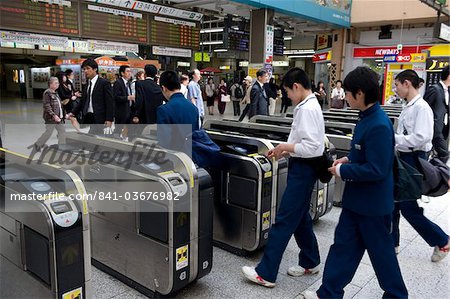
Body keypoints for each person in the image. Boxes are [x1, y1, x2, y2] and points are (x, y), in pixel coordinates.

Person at [300, 66, 408, 299]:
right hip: (355, 202)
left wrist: (343, 170)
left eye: (348, 92)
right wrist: (349, 158)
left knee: (382, 254)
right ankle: (328, 293)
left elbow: (377, 169)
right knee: (343, 247)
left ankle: (397, 295)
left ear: (359, 93)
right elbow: (366, 154)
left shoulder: (378, 124)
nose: (344, 96)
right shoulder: (366, 118)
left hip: (373, 207)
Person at [242, 67, 324, 288]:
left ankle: (266, 273)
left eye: (287, 91)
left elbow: (313, 147)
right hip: (304, 168)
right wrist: (286, 151)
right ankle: (310, 260)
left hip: (303, 171)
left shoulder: (306, 109)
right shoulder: (309, 105)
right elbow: (308, 142)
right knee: (300, 218)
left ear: (296, 86)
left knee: (284, 221)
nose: (287, 95)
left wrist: (285, 146)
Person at [392, 69, 449, 261]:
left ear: (407, 83)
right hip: (404, 158)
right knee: (394, 202)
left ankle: (442, 240)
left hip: (414, 160)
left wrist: (394, 139)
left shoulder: (421, 107)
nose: (395, 89)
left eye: (397, 85)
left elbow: (422, 137)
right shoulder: (409, 105)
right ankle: (393, 242)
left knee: (407, 206)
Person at [67, 59, 114, 135]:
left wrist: (109, 119)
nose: (85, 71)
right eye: (84, 69)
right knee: (91, 138)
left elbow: (109, 102)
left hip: (100, 118)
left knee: (100, 140)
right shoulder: (87, 84)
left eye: (88, 68)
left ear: (95, 69)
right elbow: (83, 101)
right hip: (89, 117)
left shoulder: (104, 83)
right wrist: (73, 112)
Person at [157, 70, 199, 151]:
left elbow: (164, 142)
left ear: (163, 88)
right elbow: (196, 135)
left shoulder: (164, 109)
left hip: (173, 158)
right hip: (190, 157)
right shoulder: (193, 108)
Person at [29, 77, 66, 152]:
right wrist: (53, 115)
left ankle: (61, 147)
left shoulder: (55, 93)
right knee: (48, 133)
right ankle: (37, 146)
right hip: (51, 118)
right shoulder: (47, 93)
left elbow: (59, 105)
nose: (58, 84)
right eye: (55, 83)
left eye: (58, 83)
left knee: (62, 132)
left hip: (59, 117)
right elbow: (47, 105)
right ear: (50, 84)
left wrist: (64, 114)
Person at [424, 65, 450, 163]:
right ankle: (435, 173)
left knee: (436, 153)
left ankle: (432, 171)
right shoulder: (434, 89)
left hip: (443, 128)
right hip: (434, 129)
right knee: (444, 154)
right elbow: (425, 108)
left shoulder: (447, 91)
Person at [113, 65, 135, 136]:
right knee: (118, 130)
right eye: (127, 71)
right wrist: (128, 98)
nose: (129, 73)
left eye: (130, 71)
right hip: (121, 111)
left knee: (129, 129)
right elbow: (116, 97)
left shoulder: (128, 83)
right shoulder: (118, 83)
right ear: (122, 73)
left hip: (128, 110)